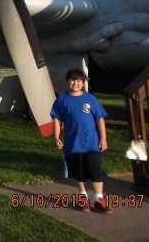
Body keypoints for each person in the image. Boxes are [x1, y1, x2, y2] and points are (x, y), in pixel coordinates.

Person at [51, 68, 113, 214]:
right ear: (68, 82)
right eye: (72, 80)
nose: (76, 83)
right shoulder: (61, 99)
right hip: (74, 144)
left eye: (79, 81)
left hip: (92, 143)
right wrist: (56, 137)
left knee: (96, 171)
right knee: (80, 173)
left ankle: (99, 200)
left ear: (83, 82)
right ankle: (83, 198)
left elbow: (100, 119)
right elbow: (56, 118)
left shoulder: (90, 99)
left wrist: (103, 138)